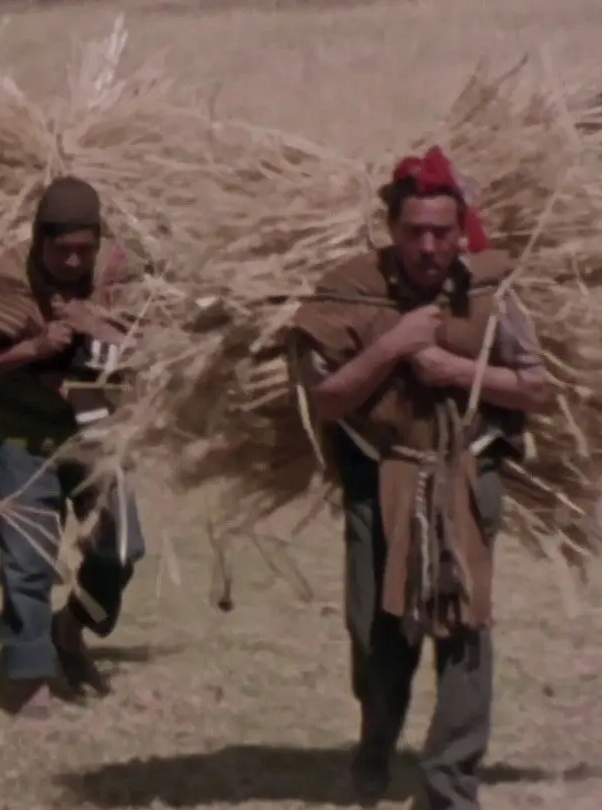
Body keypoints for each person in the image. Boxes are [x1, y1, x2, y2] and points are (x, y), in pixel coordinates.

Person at [289, 147, 548, 809]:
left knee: (464, 631)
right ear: (392, 229)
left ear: (460, 229)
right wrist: (392, 347)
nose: (428, 246)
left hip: (467, 477)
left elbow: (534, 387)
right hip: (380, 479)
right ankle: (377, 742)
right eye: (414, 232)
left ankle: (449, 781)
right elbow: (322, 399)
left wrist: (457, 372)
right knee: (376, 633)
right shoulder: (349, 289)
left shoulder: (492, 290)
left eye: (441, 231)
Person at [0, 176, 146, 719]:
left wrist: (94, 325)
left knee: (121, 548)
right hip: (23, 439)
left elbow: (150, 344)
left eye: (85, 250)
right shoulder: (8, 279)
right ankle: (31, 676)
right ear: (39, 240)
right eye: (63, 251)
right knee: (28, 564)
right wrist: (31, 348)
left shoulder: (118, 274)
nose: (75, 262)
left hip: (96, 436)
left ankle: (71, 628)